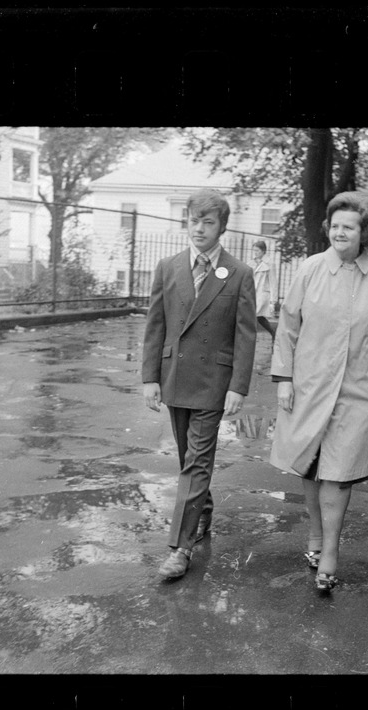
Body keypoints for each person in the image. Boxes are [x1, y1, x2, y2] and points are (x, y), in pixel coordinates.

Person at [270, 191, 368, 592]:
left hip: (357, 391)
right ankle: (315, 533)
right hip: (309, 385)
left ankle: (330, 551)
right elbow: (288, 326)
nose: (340, 232)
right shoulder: (311, 269)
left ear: (365, 232)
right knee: (310, 465)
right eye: (336, 225)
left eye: (349, 226)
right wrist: (285, 380)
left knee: (340, 473)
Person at [142, 188, 257, 580]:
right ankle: (202, 510)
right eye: (194, 220)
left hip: (212, 382)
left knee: (196, 463)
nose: (200, 228)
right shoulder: (168, 267)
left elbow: (246, 336)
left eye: (208, 222)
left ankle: (180, 548)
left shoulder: (239, 273)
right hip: (175, 377)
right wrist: (149, 379)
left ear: (221, 228)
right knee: (186, 460)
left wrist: (238, 386)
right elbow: (155, 327)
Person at [250, 239, 277, 341]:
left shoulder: (270, 263)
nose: (255, 253)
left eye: (257, 251)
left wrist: (272, 301)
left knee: (254, 315)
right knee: (259, 317)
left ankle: (250, 337)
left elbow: (273, 282)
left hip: (263, 293)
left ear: (263, 251)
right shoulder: (252, 262)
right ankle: (273, 333)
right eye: (254, 251)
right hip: (253, 292)